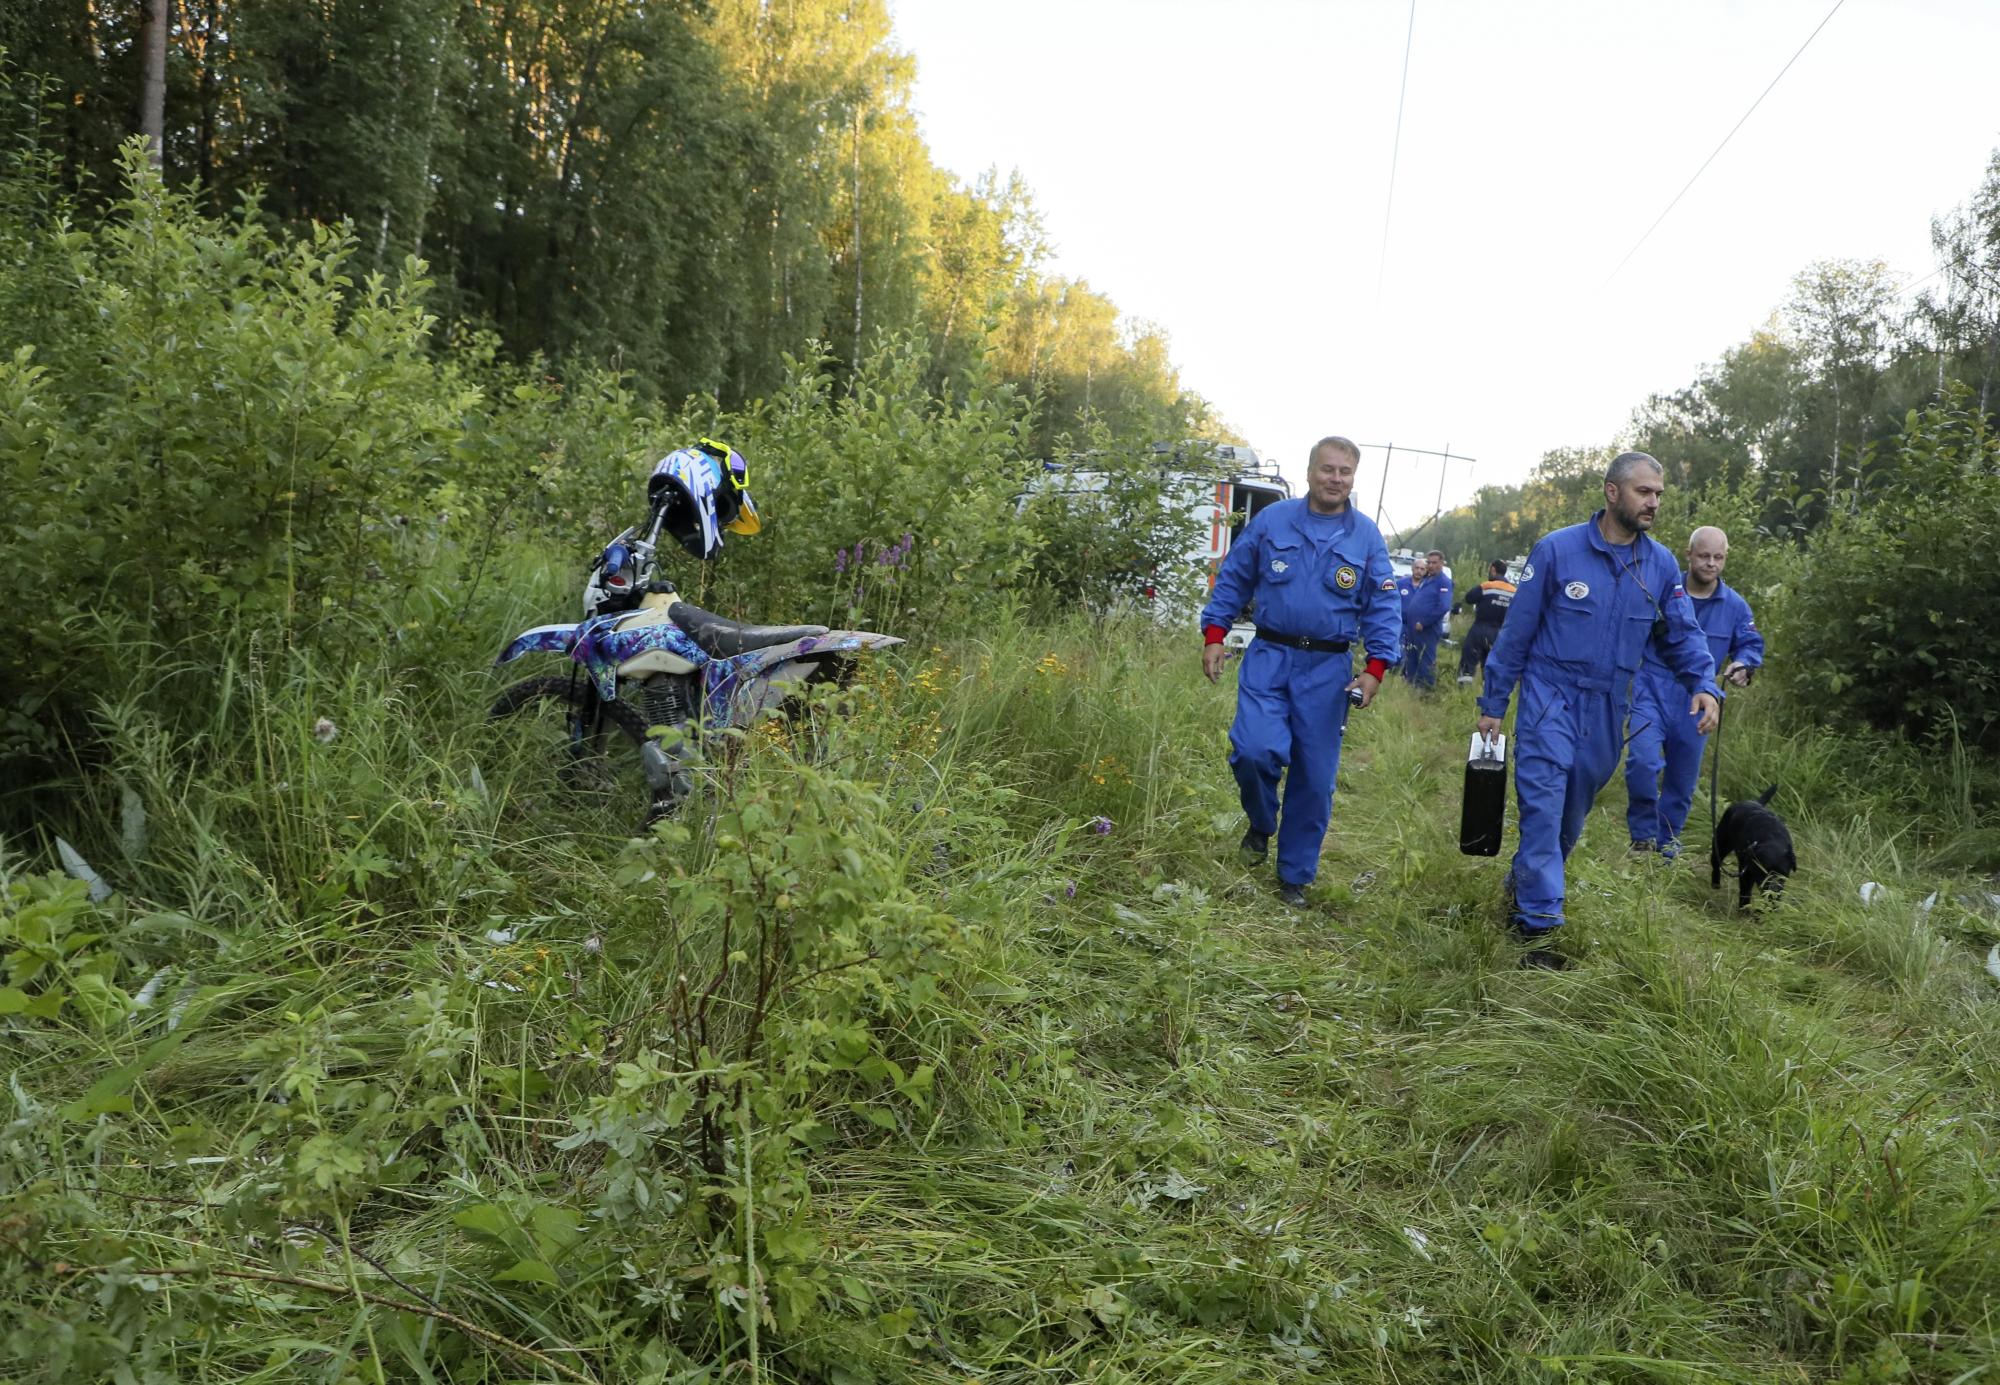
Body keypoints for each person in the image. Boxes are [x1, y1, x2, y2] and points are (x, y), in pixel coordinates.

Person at [1474, 452, 1720, 965]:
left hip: (1609, 707)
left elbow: (1681, 633)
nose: (1653, 502)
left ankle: (1524, 888)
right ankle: (1539, 930)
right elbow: (1516, 633)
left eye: (1658, 494)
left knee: (1568, 819)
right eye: (1643, 492)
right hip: (1550, 696)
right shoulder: (1558, 551)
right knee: (1542, 809)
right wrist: (1494, 703)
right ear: (1612, 493)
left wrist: (1703, 682)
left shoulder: (1659, 566)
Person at [1201, 436, 1401, 908]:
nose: (1335, 479)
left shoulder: (1365, 537)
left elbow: (1384, 605)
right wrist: (1214, 634)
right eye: (1328, 469)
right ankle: (1262, 822)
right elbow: (1233, 577)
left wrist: (1375, 668)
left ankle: (1294, 875)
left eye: (1345, 472)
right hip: (1270, 657)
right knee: (1252, 750)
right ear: (1310, 471)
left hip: (1328, 670)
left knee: (1314, 776)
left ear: (1353, 477)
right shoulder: (1273, 521)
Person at [1623, 525, 1764, 856]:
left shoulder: (1736, 606)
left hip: (1699, 696)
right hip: (1653, 687)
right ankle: (1642, 836)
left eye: (1718, 557)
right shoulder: (1663, 593)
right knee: (1642, 761)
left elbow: (1749, 644)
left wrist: (1743, 665)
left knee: (1682, 780)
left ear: (1725, 558)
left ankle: (1667, 842)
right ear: (1689, 555)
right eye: (1704, 556)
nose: (1711, 563)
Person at [1455, 559, 1517, 684]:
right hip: (1501, 634)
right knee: (1492, 667)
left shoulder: (1486, 586)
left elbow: (1469, 598)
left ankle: (1463, 690)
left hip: (1479, 629)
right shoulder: (1514, 591)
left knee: (1468, 661)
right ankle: (1488, 693)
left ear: (1493, 570)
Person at [1399, 553, 1450, 689]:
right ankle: (1410, 688)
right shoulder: (1427, 579)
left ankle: (1425, 691)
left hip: (1427, 629)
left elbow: (1443, 606)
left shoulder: (1443, 582)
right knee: (1412, 658)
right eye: (1429, 562)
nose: (1431, 566)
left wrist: (1425, 622)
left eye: (1434, 563)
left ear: (1441, 563)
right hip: (1413, 628)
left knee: (1425, 661)